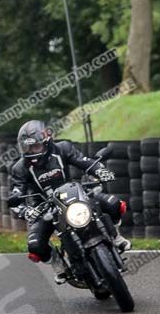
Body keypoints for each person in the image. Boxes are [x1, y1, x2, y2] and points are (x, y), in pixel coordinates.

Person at [9, 120, 131, 284]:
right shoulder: (20, 168)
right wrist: (25, 210)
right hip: (45, 207)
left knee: (114, 204)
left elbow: (84, 161)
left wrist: (101, 171)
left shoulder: (62, 149)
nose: (31, 151)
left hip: (74, 194)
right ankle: (58, 265)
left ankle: (115, 235)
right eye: (27, 147)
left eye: (35, 146)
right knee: (35, 246)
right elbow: (16, 193)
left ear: (47, 141)